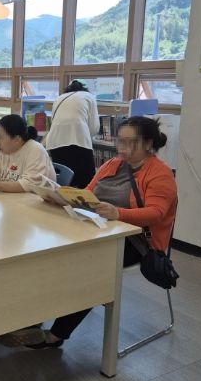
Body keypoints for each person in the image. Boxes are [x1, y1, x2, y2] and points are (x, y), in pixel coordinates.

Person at [15, 117, 178, 349]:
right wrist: (63, 197)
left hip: (135, 240)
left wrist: (118, 213)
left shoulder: (160, 174)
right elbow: (88, 192)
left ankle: (57, 334)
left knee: (89, 268)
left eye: (130, 142)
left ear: (148, 143)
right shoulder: (112, 164)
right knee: (49, 250)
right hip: (98, 227)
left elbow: (156, 213)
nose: (122, 147)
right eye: (120, 141)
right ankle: (32, 318)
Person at [0, 114, 56, 194]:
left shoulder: (35, 150)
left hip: (37, 200)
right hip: (14, 199)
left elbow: (28, 185)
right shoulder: (5, 150)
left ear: (17, 139)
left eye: (1, 137)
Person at [45, 80, 100, 188]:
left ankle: (63, 199)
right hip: (79, 142)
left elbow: (53, 121)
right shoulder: (88, 96)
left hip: (55, 143)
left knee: (64, 181)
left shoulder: (59, 98)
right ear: (85, 89)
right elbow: (94, 128)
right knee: (87, 182)